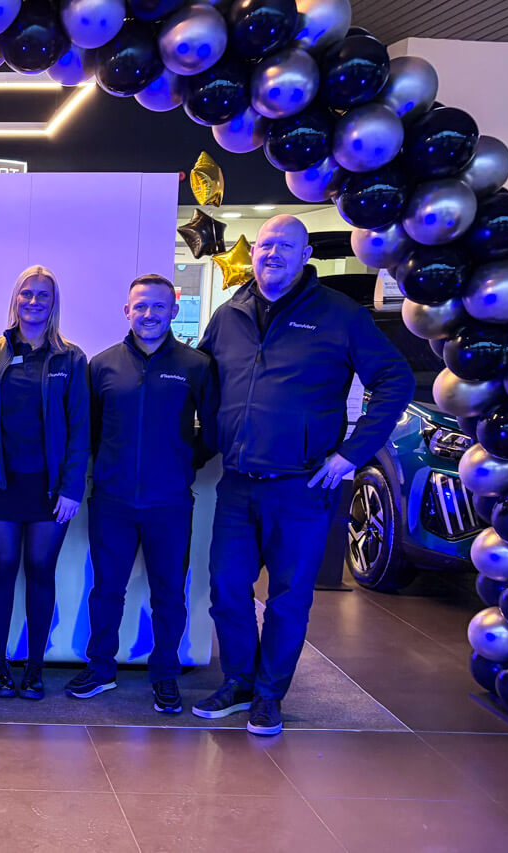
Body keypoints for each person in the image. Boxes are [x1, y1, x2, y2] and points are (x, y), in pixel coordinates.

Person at [195, 215, 413, 736]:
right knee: (227, 588)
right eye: (265, 244)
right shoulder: (230, 313)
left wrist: (351, 454)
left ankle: (269, 696)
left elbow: (395, 378)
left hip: (303, 487)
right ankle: (239, 682)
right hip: (237, 483)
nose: (272, 254)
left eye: (284, 246)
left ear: (304, 254)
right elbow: (203, 382)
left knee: (288, 598)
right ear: (254, 252)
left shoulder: (339, 314)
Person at [64, 275, 218, 713]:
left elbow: (214, 430)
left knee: (169, 593)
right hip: (111, 501)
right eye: (141, 306)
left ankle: (165, 673)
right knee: (106, 590)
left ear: (174, 311)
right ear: (127, 311)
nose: (149, 315)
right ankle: (101, 668)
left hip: (169, 503)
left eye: (158, 306)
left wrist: (182, 464)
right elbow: (89, 431)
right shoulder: (102, 365)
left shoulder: (196, 365)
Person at [0, 265, 90, 700]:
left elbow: (80, 428)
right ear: (15, 299)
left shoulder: (70, 358)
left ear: (53, 303)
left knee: (40, 570)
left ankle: (35, 668)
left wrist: (72, 488)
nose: (34, 302)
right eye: (27, 294)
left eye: (43, 295)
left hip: (50, 489)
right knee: (2, 569)